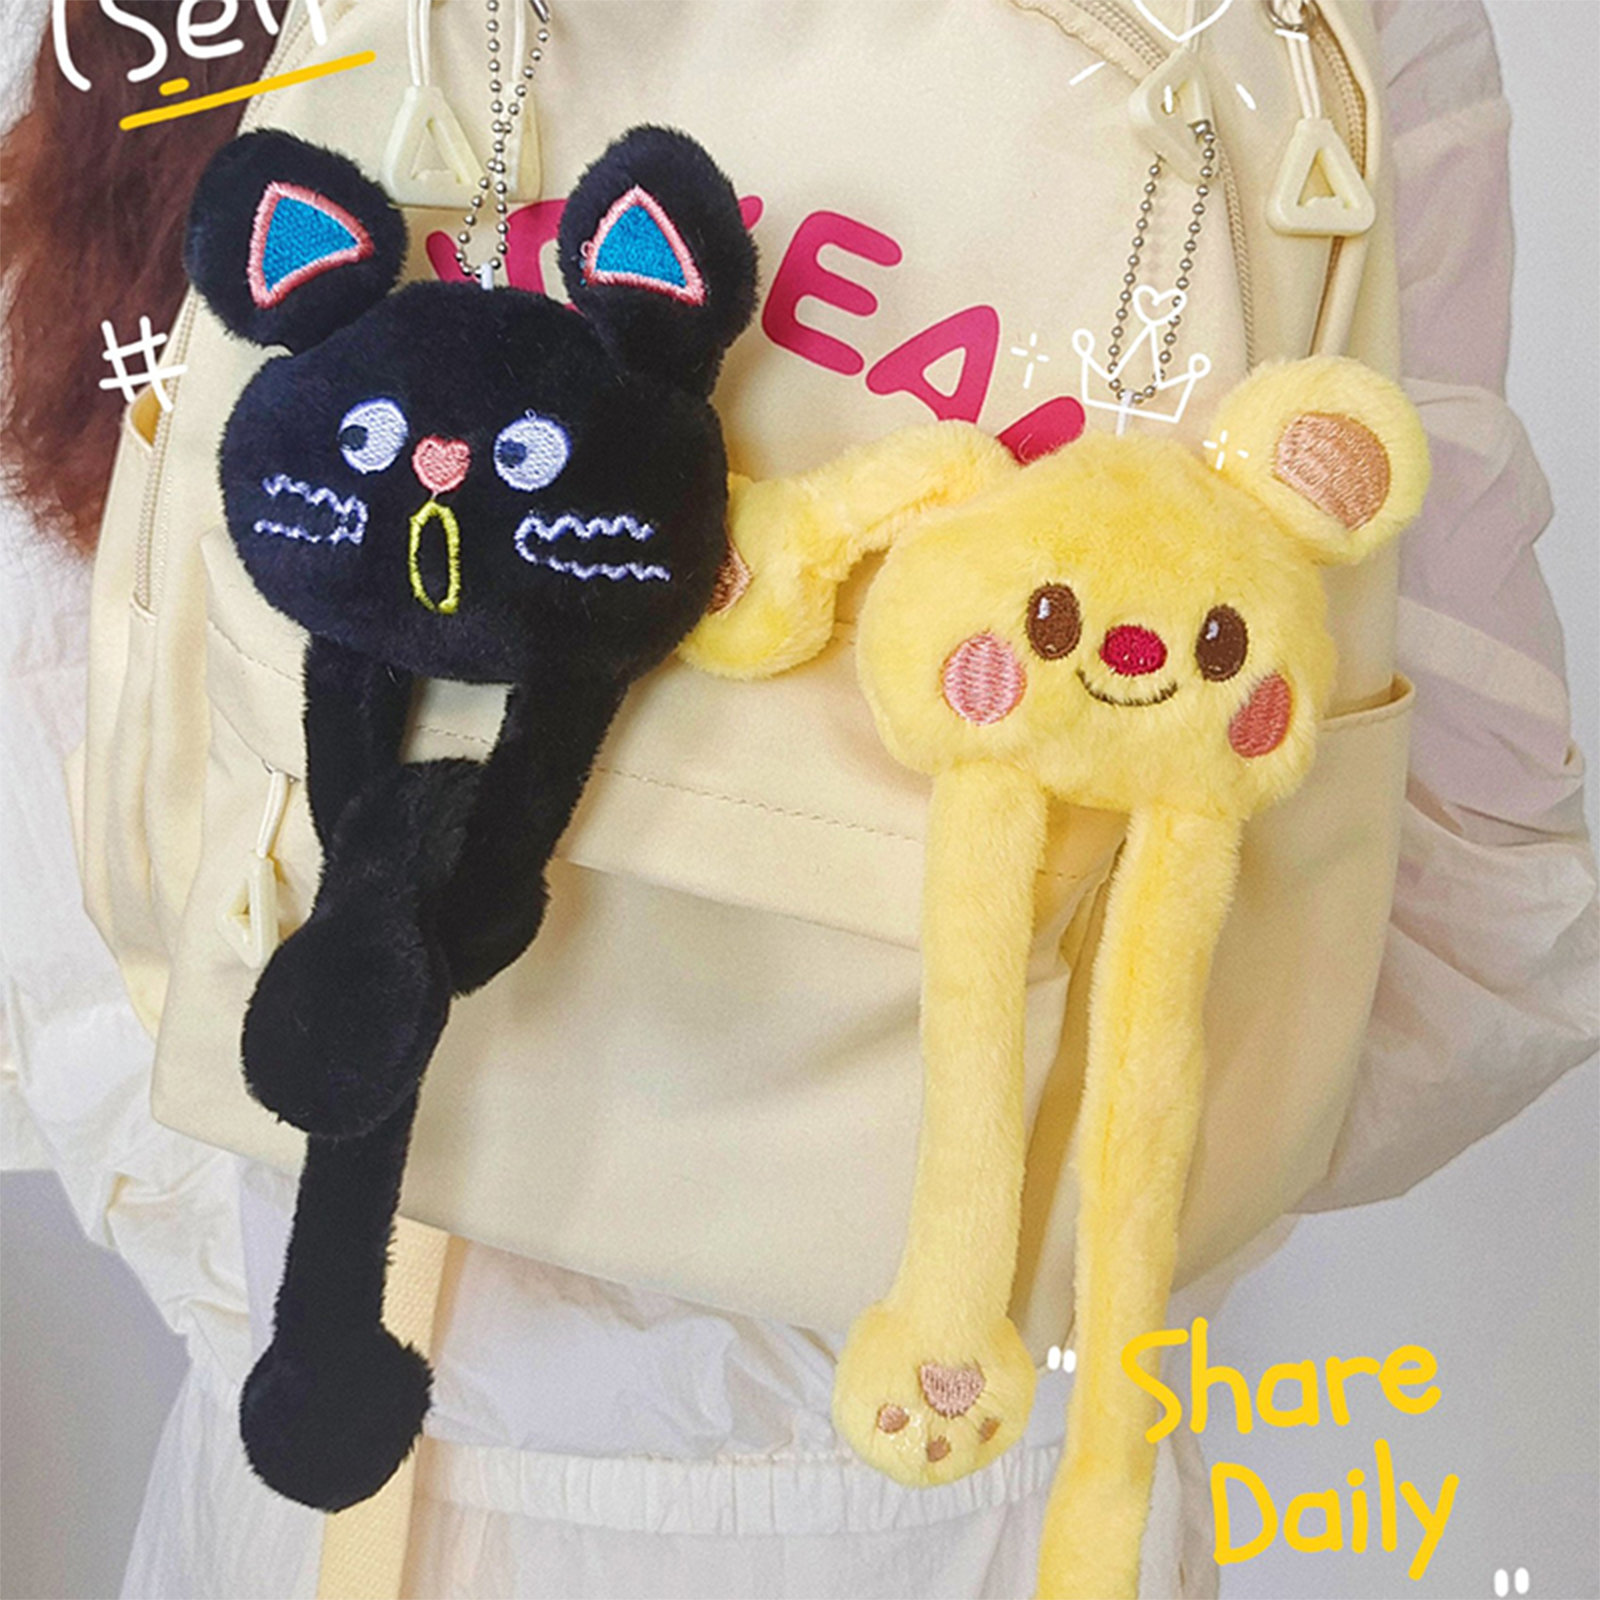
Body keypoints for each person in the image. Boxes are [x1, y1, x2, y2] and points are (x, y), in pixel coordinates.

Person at [2, 3, 1594, 1596]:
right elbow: (1475, 928)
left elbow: (96, 775)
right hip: (976, 1488)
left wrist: (253, 1227)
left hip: (306, 1437)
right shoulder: (1346, 30)